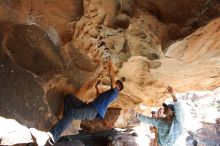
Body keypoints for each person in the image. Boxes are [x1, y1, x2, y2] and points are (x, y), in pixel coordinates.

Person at [30, 60, 124, 146]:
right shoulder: (110, 94)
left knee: (72, 113)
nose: (115, 83)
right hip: (89, 106)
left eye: (116, 83)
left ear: (118, 87)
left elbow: (112, 77)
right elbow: (99, 97)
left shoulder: (114, 92)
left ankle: (51, 137)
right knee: (69, 97)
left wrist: (110, 63)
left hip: (93, 111)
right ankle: (63, 120)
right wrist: (96, 88)